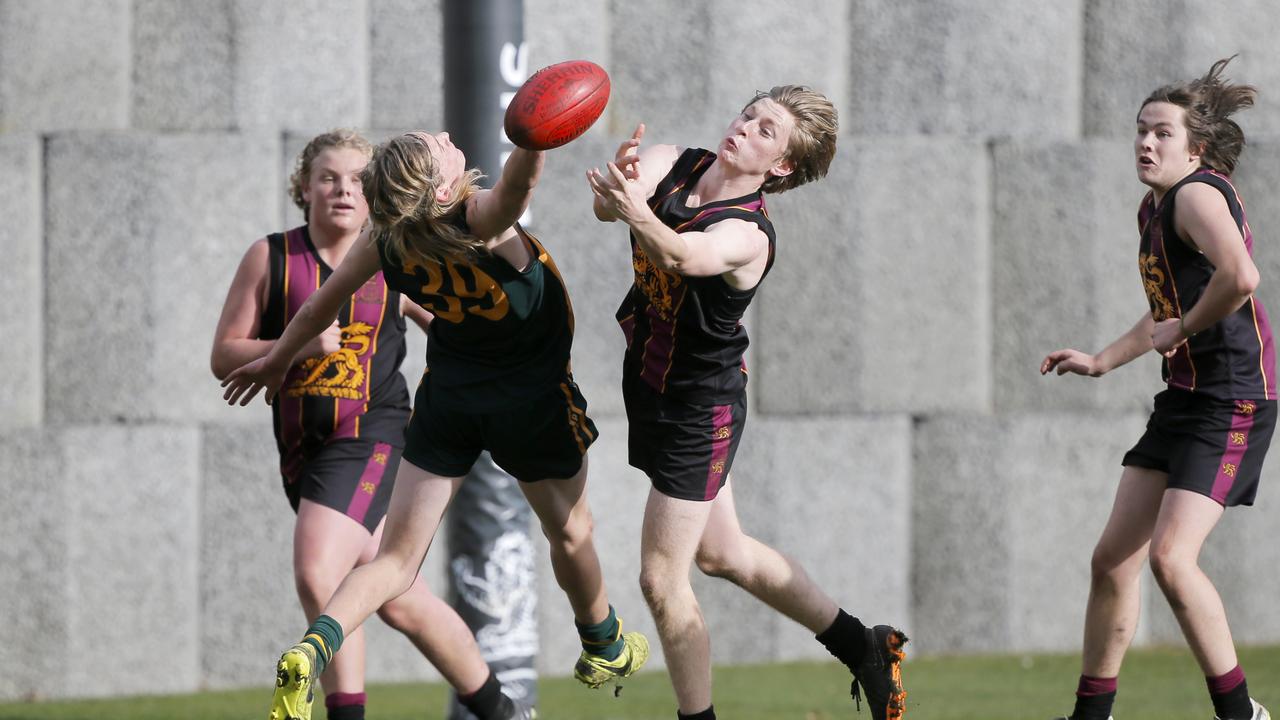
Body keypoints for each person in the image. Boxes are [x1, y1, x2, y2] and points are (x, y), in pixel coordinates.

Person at [222, 130, 649, 720]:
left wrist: (275, 357)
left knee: (395, 562)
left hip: (449, 401)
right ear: (444, 182)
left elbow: (320, 305)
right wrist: (533, 130)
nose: (451, 137)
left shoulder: (386, 242)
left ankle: (313, 648)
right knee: (572, 532)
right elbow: (521, 181)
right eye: (440, 144)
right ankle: (603, 643)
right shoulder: (482, 217)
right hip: (528, 401)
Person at [586, 86, 908, 720]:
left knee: (661, 580)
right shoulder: (674, 162)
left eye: (768, 132)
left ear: (781, 166)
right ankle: (863, 645)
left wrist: (631, 209)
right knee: (720, 554)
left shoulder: (748, 233)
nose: (746, 129)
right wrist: (615, 191)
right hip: (652, 385)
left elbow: (681, 254)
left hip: (701, 410)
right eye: (750, 115)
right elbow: (610, 210)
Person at [1041, 57, 1273, 720]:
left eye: (1161, 132)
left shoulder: (1198, 193)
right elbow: (1167, 311)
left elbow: (1241, 277)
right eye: (1140, 130)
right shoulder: (1156, 207)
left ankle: (1241, 715)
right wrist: (1103, 359)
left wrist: (1185, 328)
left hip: (1234, 396)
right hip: (1187, 397)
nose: (1145, 141)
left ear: (1195, 147)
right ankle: (1091, 716)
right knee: (1113, 560)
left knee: (1172, 559)